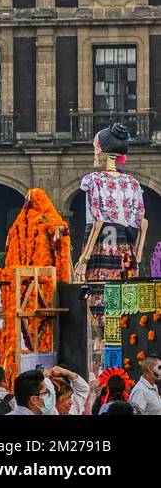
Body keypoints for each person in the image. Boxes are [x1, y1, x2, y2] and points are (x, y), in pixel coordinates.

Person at [72, 124, 148, 339]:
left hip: (101, 248)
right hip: (126, 252)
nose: (94, 152)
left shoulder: (93, 180)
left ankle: (99, 344)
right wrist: (138, 254)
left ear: (103, 151)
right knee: (124, 300)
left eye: (95, 147)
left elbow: (97, 221)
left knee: (99, 298)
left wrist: (84, 258)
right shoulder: (132, 182)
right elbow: (143, 223)